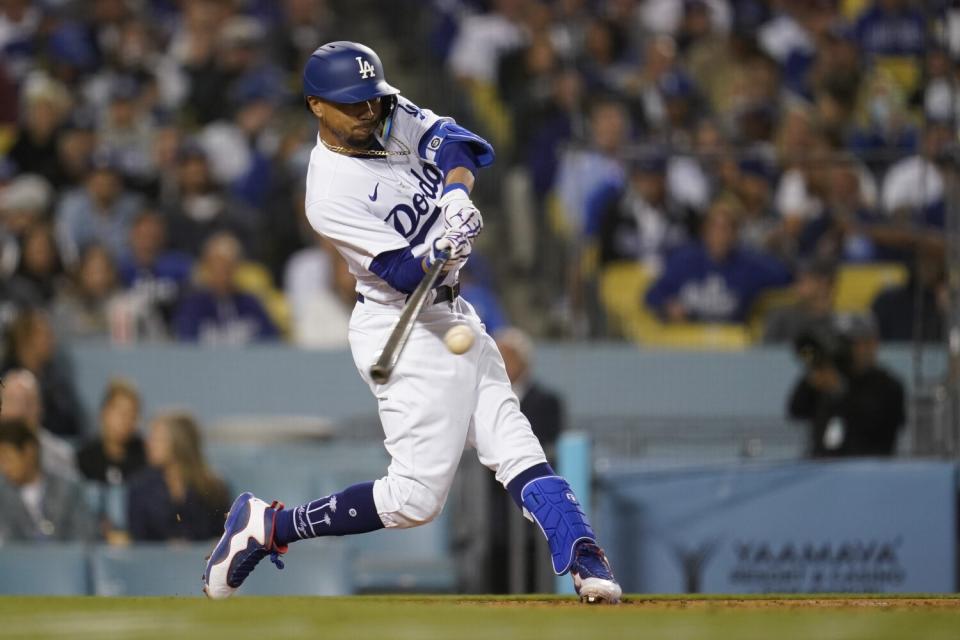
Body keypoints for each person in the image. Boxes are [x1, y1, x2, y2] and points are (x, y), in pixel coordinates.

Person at [202, 41, 621, 604]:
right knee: (415, 500)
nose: (367, 113)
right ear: (315, 107)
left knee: (514, 443)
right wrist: (438, 246)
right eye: (351, 105)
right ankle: (270, 526)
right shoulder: (327, 192)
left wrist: (454, 197)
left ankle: (583, 556)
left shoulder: (385, 109)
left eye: (369, 100)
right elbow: (401, 272)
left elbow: (462, 144)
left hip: (450, 312)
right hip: (402, 324)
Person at [645, 202, 792, 324]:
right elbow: (651, 296)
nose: (720, 235)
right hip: (688, 340)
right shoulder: (684, 261)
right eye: (714, 228)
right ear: (704, 231)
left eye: (726, 228)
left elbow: (786, 277)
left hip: (732, 344)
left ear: (735, 234)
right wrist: (668, 306)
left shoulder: (751, 265)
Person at [787, 314, 906, 457]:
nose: (846, 350)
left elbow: (874, 425)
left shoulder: (888, 385)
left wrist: (840, 391)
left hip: (870, 468)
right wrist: (812, 376)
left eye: (852, 343)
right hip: (822, 466)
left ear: (872, 344)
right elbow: (796, 410)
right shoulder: (830, 374)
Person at [127, 412, 230, 542]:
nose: (148, 444)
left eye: (157, 439)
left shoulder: (215, 489)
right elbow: (137, 542)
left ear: (179, 443)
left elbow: (225, 537)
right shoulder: (140, 488)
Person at [0, 419, 97, 542]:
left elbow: (85, 535)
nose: (4, 467)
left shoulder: (68, 489)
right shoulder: (2, 496)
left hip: (66, 560)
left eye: (8, 459)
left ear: (29, 451)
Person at [173, 231, 279, 344]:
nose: (222, 271)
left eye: (228, 265)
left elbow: (271, 341)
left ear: (237, 268)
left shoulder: (250, 303)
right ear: (207, 267)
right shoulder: (193, 305)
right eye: (216, 265)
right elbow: (186, 343)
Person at [1, 308, 86, 437]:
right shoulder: (5, 377)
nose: (53, 341)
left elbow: (72, 422)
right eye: (46, 335)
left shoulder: (55, 377)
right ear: (26, 339)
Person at [0, 369, 76, 477]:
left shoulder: (61, 457)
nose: (20, 411)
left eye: (28, 402)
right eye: (12, 401)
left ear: (40, 409)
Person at [77, 379, 147, 486]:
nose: (125, 420)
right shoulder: (84, 458)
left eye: (132, 414)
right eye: (120, 412)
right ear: (104, 413)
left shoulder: (146, 457)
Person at [763, 258, 838, 344]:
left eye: (803, 281)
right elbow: (766, 353)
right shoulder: (780, 317)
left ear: (823, 284)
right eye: (798, 281)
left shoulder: (840, 323)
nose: (797, 286)